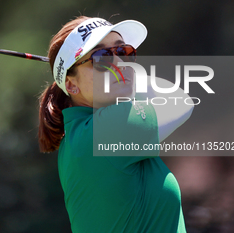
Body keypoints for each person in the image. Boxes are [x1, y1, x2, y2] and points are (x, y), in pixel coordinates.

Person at [38, 16, 193, 233]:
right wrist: (133, 74)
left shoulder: (81, 135)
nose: (117, 64)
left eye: (122, 52)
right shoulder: (104, 131)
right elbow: (181, 101)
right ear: (71, 85)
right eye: (101, 57)